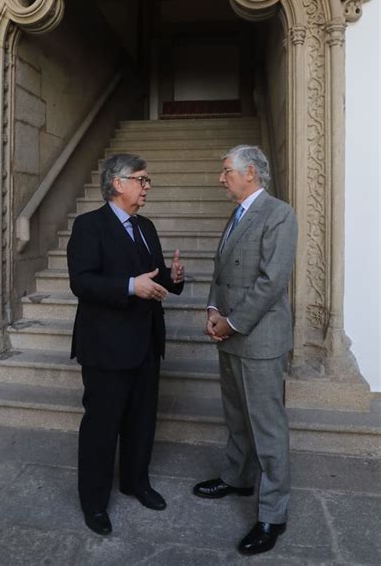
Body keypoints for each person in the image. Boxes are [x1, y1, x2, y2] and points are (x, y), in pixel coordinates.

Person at [67, 153, 184, 536]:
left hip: (146, 343)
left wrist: (173, 278)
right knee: (102, 427)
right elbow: (81, 282)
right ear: (118, 183)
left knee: (142, 421)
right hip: (105, 346)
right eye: (142, 180)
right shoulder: (89, 226)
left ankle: (136, 482)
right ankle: (94, 503)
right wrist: (131, 286)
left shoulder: (145, 226)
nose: (147, 187)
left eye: (147, 181)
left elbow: (155, 276)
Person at [193, 145, 298, 557]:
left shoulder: (279, 214)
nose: (221, 179)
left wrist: (232, 322)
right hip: (230, 334)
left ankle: (273, 513)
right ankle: (237, 476)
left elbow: (272, 282)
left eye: (226, 172)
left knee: (267, 427)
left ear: (249, 172)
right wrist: (213, 310)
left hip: (259, 338)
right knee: (236, 415)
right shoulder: (237, 213)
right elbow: (222, 270)